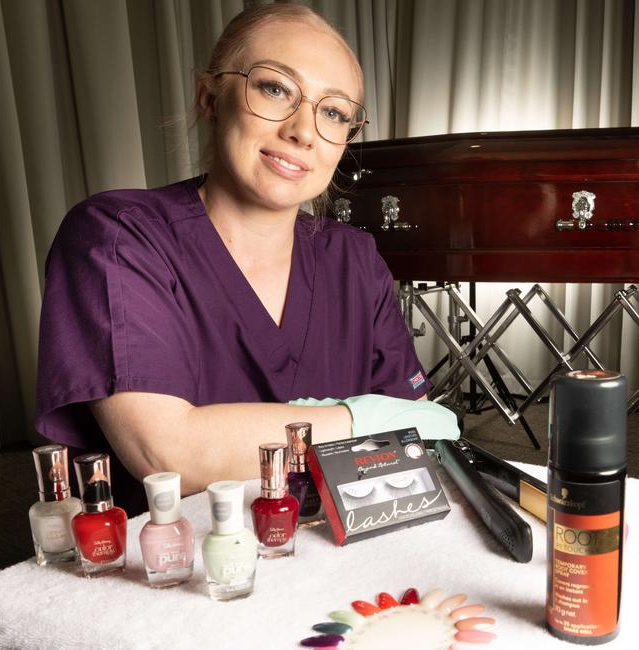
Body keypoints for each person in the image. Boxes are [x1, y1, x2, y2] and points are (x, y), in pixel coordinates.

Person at [36, 3, 458, 516]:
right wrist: (363, 418)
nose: (304, 130)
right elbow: (168, 453)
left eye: (334, 112)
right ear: (210, 97)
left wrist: (401, 426)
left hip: (337, 555)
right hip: (182, 571)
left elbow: (413, 453)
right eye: (276, 88)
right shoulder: (119, 236)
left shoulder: (354, 258)